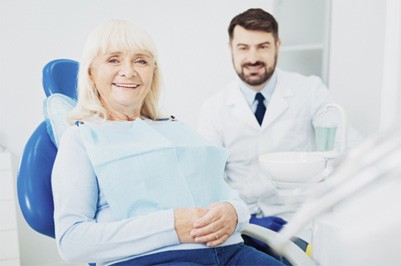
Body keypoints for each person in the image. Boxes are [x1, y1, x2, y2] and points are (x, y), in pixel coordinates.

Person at [51, 19, 285, 266]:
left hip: (233, 252)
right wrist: (171, 226)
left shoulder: (176, 128)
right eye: (113, 60)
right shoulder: (81, 139)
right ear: (91, 72)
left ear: (153, 71)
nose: (128, 71)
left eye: (141, 60)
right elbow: (72, 242)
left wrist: (233, 212)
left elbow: (227, 193)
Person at [197, 8, 362, 254]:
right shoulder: (213, 108)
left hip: (299, 220)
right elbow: (205, 180)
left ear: (277, 45)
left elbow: (348, 148)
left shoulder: (310, 91)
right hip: (243, 223)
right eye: (243, 48)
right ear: (230, 48)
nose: (253, 57)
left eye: (262, 46)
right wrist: (246, 219)